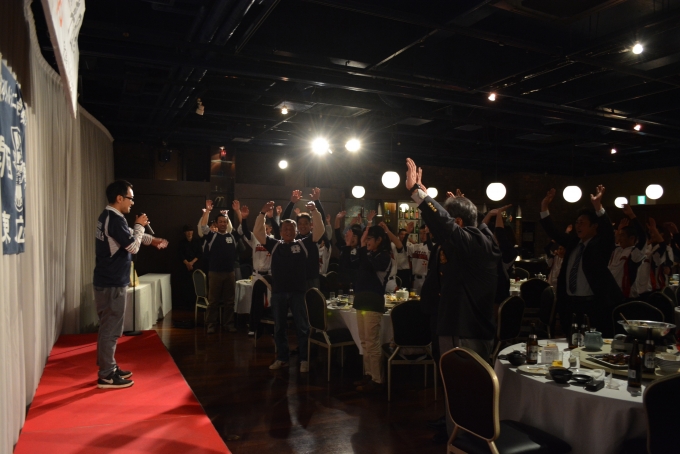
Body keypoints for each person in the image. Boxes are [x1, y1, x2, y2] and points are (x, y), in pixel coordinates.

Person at [405, 158, 500, 360]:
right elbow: (444, 225)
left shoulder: (473, 242)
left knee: (457, 377)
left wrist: (417, 193)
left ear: (458, 221)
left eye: (451, 219)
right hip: (474, 328)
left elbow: (444, 224)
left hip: (463, 329)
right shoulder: (483, 239)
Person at [94, 180, 168, 389]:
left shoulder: (108, 216)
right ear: (119, 198)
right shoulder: (115, 219)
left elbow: (131, 236)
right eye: (130, 198)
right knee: (111, 329)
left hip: (106, 280)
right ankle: (107, 374)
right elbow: (133, 246)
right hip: (112, 282)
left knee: (107, 327)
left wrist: (152, 239)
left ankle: (108, 366)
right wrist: (140, 226)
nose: (132, 202)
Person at [539, 186, 622, 337]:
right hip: (570, 303)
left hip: (593, 304)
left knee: (592, 343)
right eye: (577, 222)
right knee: (570, 341)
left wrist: (598, 207)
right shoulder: (573, 243)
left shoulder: (600, 245)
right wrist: (544, 207)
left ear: (594, 226)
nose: (578, 225)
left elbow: (608, 233)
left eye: (582, 223)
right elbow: (554, 232)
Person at [253, 201, 324, 372]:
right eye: (285, 229)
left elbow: (320, 231)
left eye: (291, 229)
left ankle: (304, 359)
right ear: (280, 231)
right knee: (279, 328)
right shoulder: (275, 245)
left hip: (298, 292)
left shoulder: (303, 244)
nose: (288, 231)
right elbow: (257, 232)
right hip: (278, 293)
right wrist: (262, 214)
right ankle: (282, 358)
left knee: (302, 327)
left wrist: (315, 211)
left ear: (296, 231)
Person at [353, 225, 392, 393]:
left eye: (369, 239)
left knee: (372, 342)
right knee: (364, 341)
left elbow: (369, 266)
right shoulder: (368, 255)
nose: (367, 241)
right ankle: (368, 375)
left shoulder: (384, 256)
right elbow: (353, 266)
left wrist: (362, 247)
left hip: (373, 300)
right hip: (361, 300)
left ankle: (377, 380)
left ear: (379, 240)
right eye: (366, 239)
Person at [198, 199, 243, 334]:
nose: (223, 224)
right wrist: (207, 211)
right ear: (217, 224)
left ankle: (228, 324)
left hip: (230, 273)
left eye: (225, 222)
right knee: (213, 301)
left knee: (230, 302)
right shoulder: (212, 236)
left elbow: (243, 226)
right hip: (215, 273)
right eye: (221, 222)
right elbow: (203, 226)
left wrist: (237, 211)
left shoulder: (232, 236)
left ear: (227, 223)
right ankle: (211, 325)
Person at [282, 188, 328, 289]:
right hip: (296, 278)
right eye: (300, 223)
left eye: (306, 223)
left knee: (313, 299)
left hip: (312, 279)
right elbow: (284, 222)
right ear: (297, 225)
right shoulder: (294, 238)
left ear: (311, 225)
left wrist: (317, 202)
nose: (303, 226)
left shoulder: (315, 237)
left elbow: (321, 222)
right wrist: (291, 203)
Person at [608, 205, 646, 299]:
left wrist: (632, 215)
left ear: (631, 238)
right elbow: (610, 241)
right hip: (611, 293)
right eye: (619, 235)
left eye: (622, 235)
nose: (619, 238)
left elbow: (642, 237)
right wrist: (619, 230)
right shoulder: (617, 249)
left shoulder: (634, 252)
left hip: (627, 296)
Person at [238, 203, 280, 276]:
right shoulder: (255, 237)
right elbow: (246, 232)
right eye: (262, 229)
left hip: (269, 274)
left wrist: (271, 218)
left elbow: (277, 231)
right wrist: (244, 218)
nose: (264, 231)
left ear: (270, 229)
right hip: (256, 274)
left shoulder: (273, 239)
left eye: (266, 229)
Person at [334, 211, 362, 284]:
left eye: (354, 236)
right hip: (342, 281)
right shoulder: (345, 246)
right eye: (350, 236)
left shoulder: (361, 250)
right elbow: (337, 235)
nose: (351, 238)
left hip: (355, 282)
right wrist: (337, 219)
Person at [178, 224, 202, 309]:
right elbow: (180, 255)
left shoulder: (197, 241)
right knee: (186, 285)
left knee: (196, 285)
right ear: (185, 232)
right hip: (184, 267)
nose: (189, 233)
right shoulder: (181, 243)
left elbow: (199, 253)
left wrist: (191, 263)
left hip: (196, 265)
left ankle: (196, 304)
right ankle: (186, 305)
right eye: (187, 231)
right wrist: (187, 264)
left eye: (191, 231)